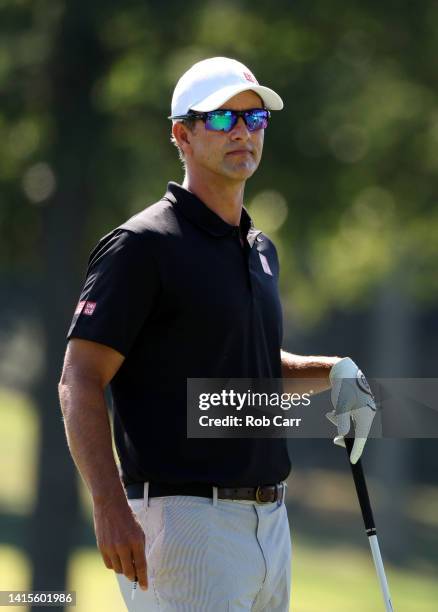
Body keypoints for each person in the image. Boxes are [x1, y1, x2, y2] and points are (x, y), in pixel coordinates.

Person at [58, 57, 376, 611]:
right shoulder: (143, 245)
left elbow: (248, 363)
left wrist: (333, 371)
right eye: (224, 120)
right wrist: (110, 505)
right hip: (183, 524)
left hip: (270, 525)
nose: (244, 134)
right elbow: (79, 379)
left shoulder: (258, 248)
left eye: (254, 121)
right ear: (182, 134)